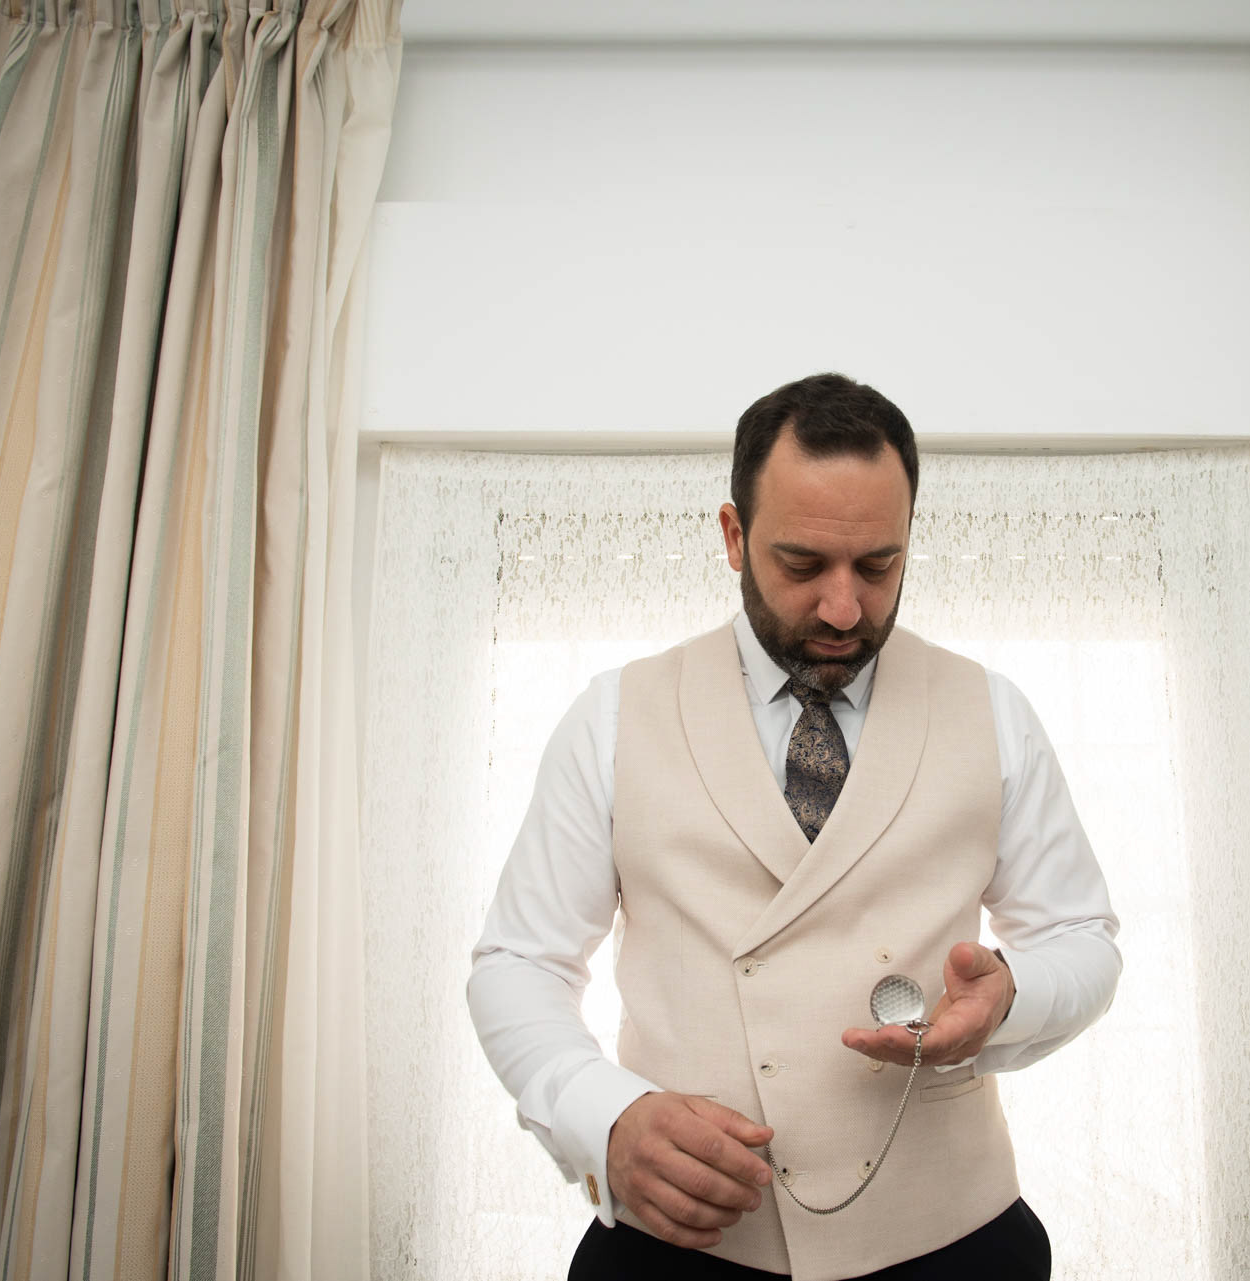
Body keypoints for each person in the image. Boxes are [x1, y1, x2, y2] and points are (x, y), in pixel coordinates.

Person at [467, 373, 1121, 1281]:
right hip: (679, 1253)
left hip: (956, 1245)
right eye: (804, 564)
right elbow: (520, 963)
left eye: (878, 566)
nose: (844, 608)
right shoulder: (611, 716)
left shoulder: (994, 711)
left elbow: (1082, 936)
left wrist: (1010, 994)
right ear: (734, 537)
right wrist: (603, 1116)